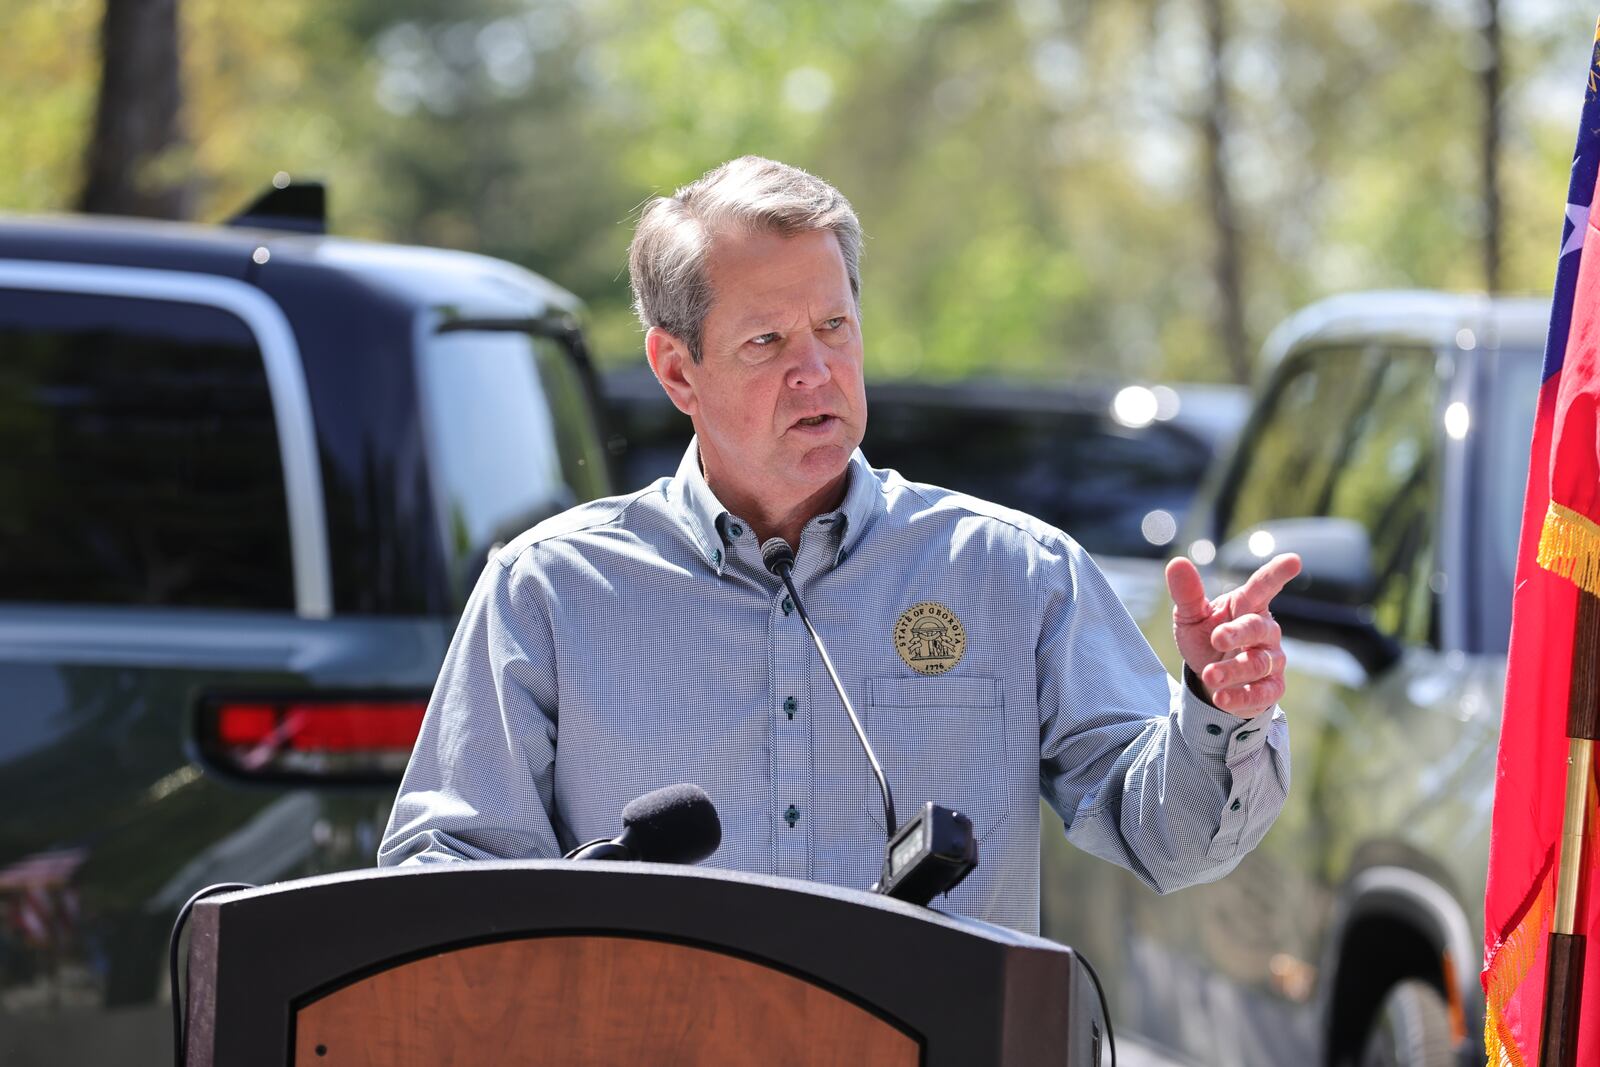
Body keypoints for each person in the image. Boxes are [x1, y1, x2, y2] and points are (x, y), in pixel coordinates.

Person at [378, 156, 1299, 934]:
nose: (814, 372)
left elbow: (1166, 840)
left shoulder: (1013, 574)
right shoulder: (550, 592)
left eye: (833, 328)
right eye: (767, 340)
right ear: (675, 368)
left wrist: (1217, 711)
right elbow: (443, 876)